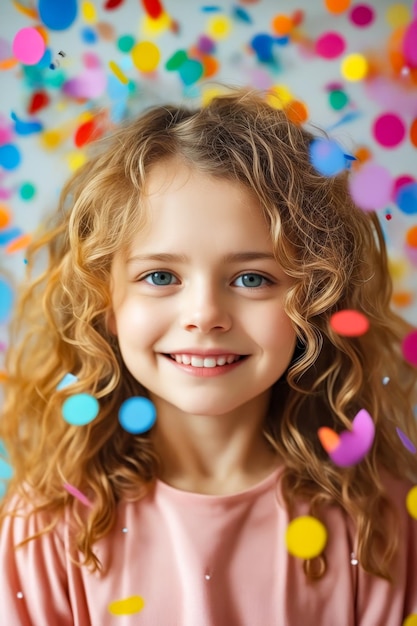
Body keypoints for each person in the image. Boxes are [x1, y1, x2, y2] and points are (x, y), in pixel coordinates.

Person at [0, 86, 416, 626]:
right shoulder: (46, 525)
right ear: (103, 304)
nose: (204, 314)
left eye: (251, 278)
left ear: (315, 303)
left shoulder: (380, 519)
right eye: (160, 276)